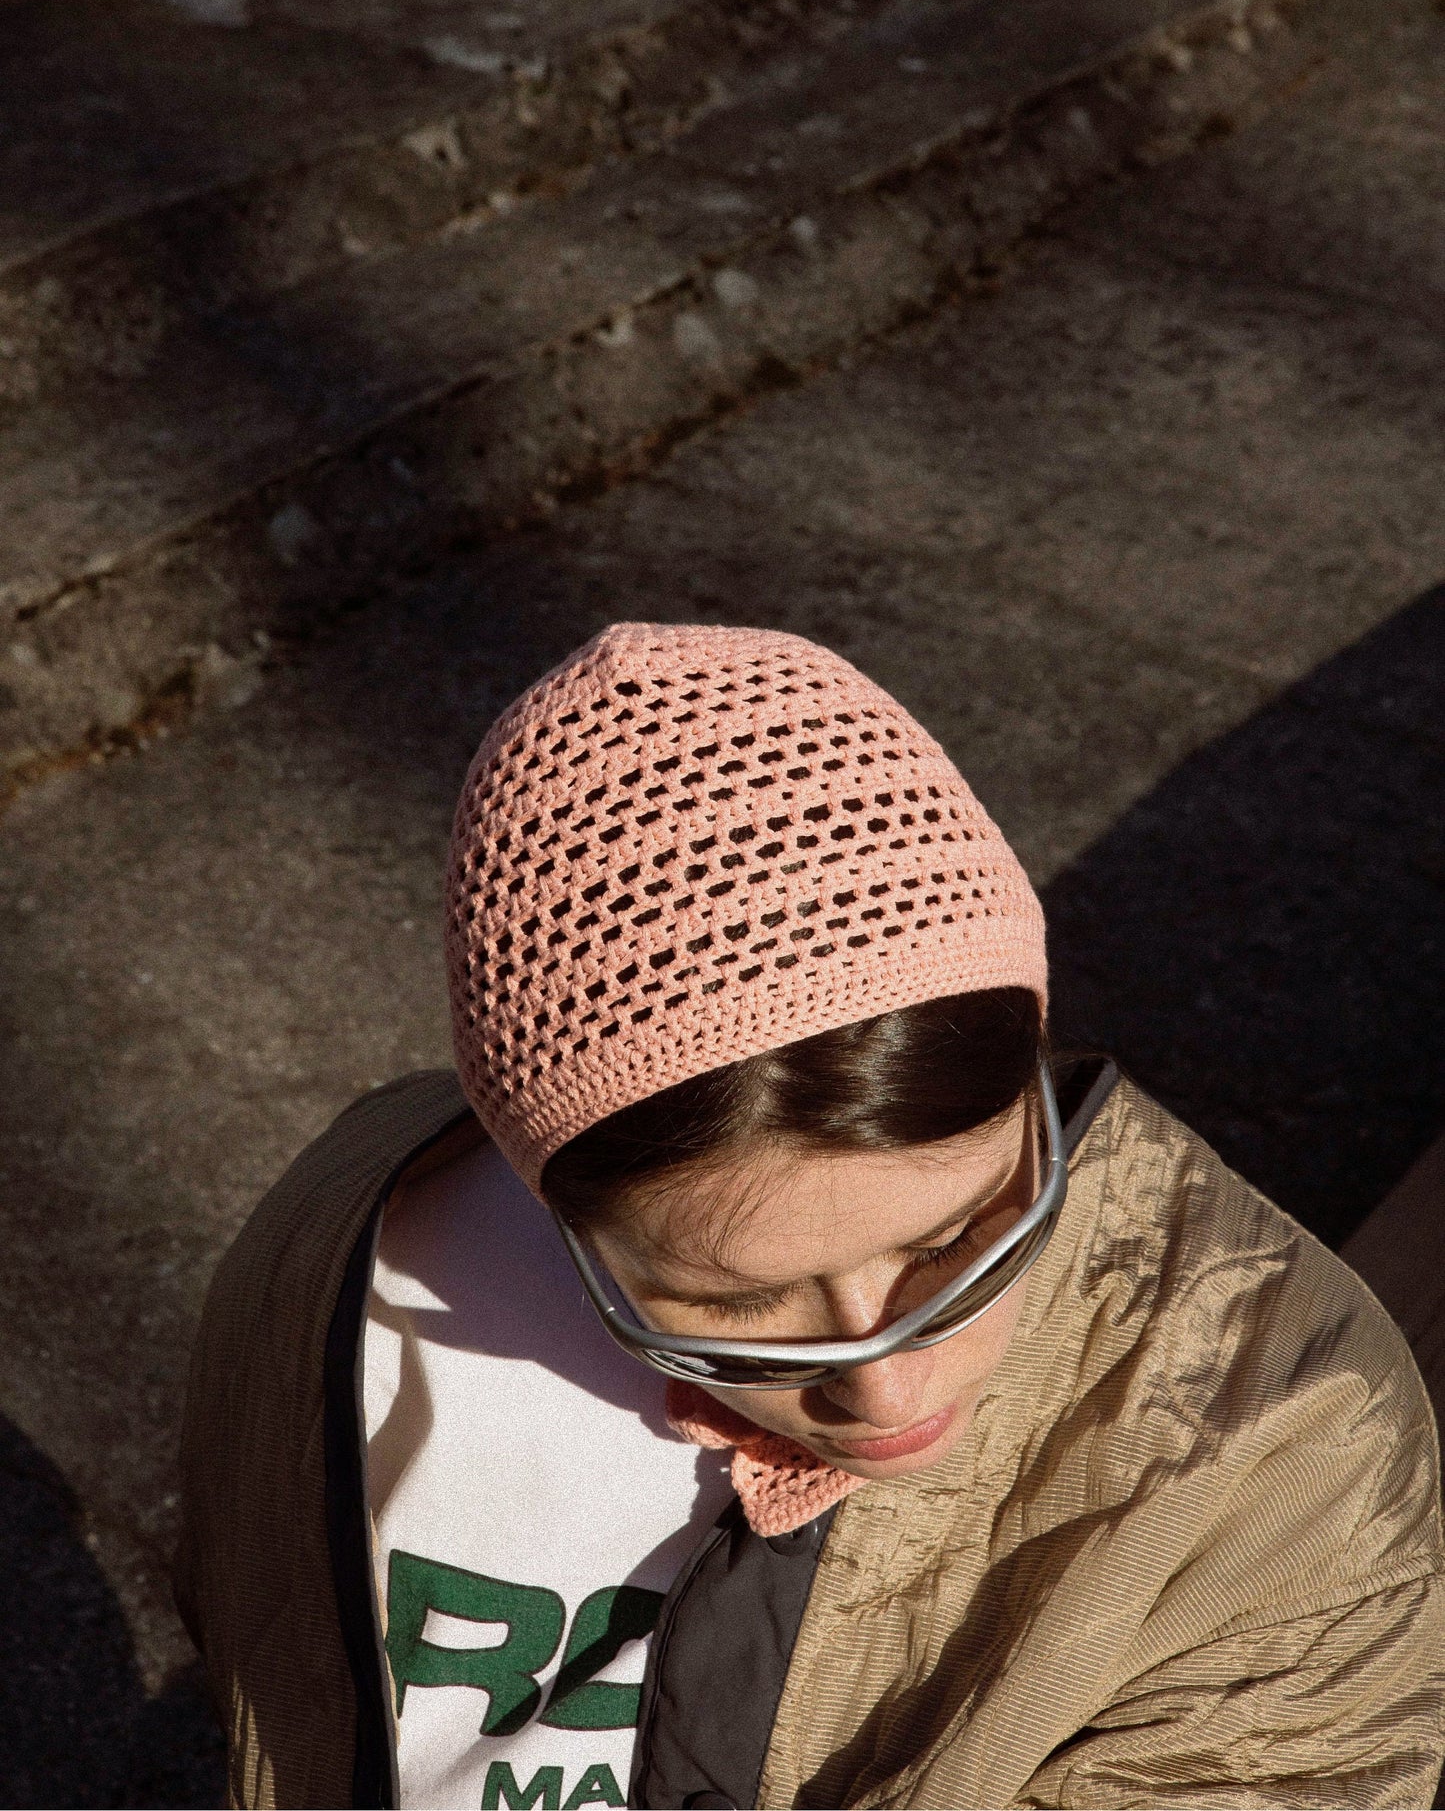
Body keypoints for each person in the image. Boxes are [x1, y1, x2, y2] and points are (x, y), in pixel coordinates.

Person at [175, 623, 1445, 1810]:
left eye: (956, 1241)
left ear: (1027, 1082)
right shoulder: (342, 1252)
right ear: (546, 1197)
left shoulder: (1277, 1444)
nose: (886, 1391)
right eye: (733, 1303)